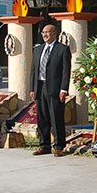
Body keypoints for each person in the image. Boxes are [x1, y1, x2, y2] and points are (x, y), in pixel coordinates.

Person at [29, 24, 71, 156]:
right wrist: (32, 88)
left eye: (47, 32)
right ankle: (44, 145)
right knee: (42, 117)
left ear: (55, 33)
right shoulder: (37, 50)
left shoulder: (62, 49)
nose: (45, 35)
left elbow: (65, 72)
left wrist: (64, 89)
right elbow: (33, 71)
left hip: (55, 88)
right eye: (43, 33)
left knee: (56, 116)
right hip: (40, 87)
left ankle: (59, 146)